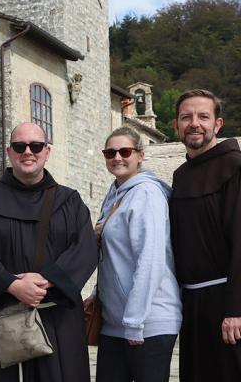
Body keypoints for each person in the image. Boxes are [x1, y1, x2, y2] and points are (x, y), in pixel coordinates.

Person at [0, 122, 97, 381]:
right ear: (9, 151)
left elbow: (85, 249)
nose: (28, 152)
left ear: (47, 151)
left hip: (58, 317)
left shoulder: (70, 201)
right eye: (19, 146)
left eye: (36, 146)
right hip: (6, 317)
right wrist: (13, 285)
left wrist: (45, 282)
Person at [169, 89, 241, 381]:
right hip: (193, 307)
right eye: (186, 117)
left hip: (231, 307)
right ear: (176, 126)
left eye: (203, 116)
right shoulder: (180, 176)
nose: (195, 123)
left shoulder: (239, 170)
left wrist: (238, 309)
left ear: (217, 124)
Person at [84, 127, 181, 382]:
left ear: (140, 155)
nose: (117, 157)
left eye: (125, 151)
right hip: (116, 322)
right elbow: (117, 258)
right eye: (110, 152)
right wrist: (98, 295)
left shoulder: (146, 194)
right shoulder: (116, 193)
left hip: (147, 322)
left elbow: (150, 260)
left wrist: (135, 322)